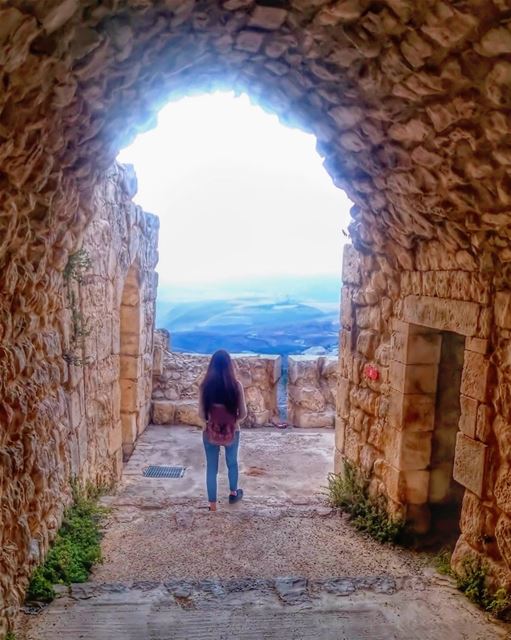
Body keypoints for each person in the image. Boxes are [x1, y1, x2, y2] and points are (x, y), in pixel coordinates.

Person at [198, 350, 247, 512]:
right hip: (232, 431)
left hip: (210, 431)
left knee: (211, 468)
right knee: (232, 462)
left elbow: (201, 414)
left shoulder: (205, 386)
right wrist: (231, 421)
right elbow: (243, 413)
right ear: (229, 366)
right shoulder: (236, 386)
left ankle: (212, 505)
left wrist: (212, 421)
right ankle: (233, 493)